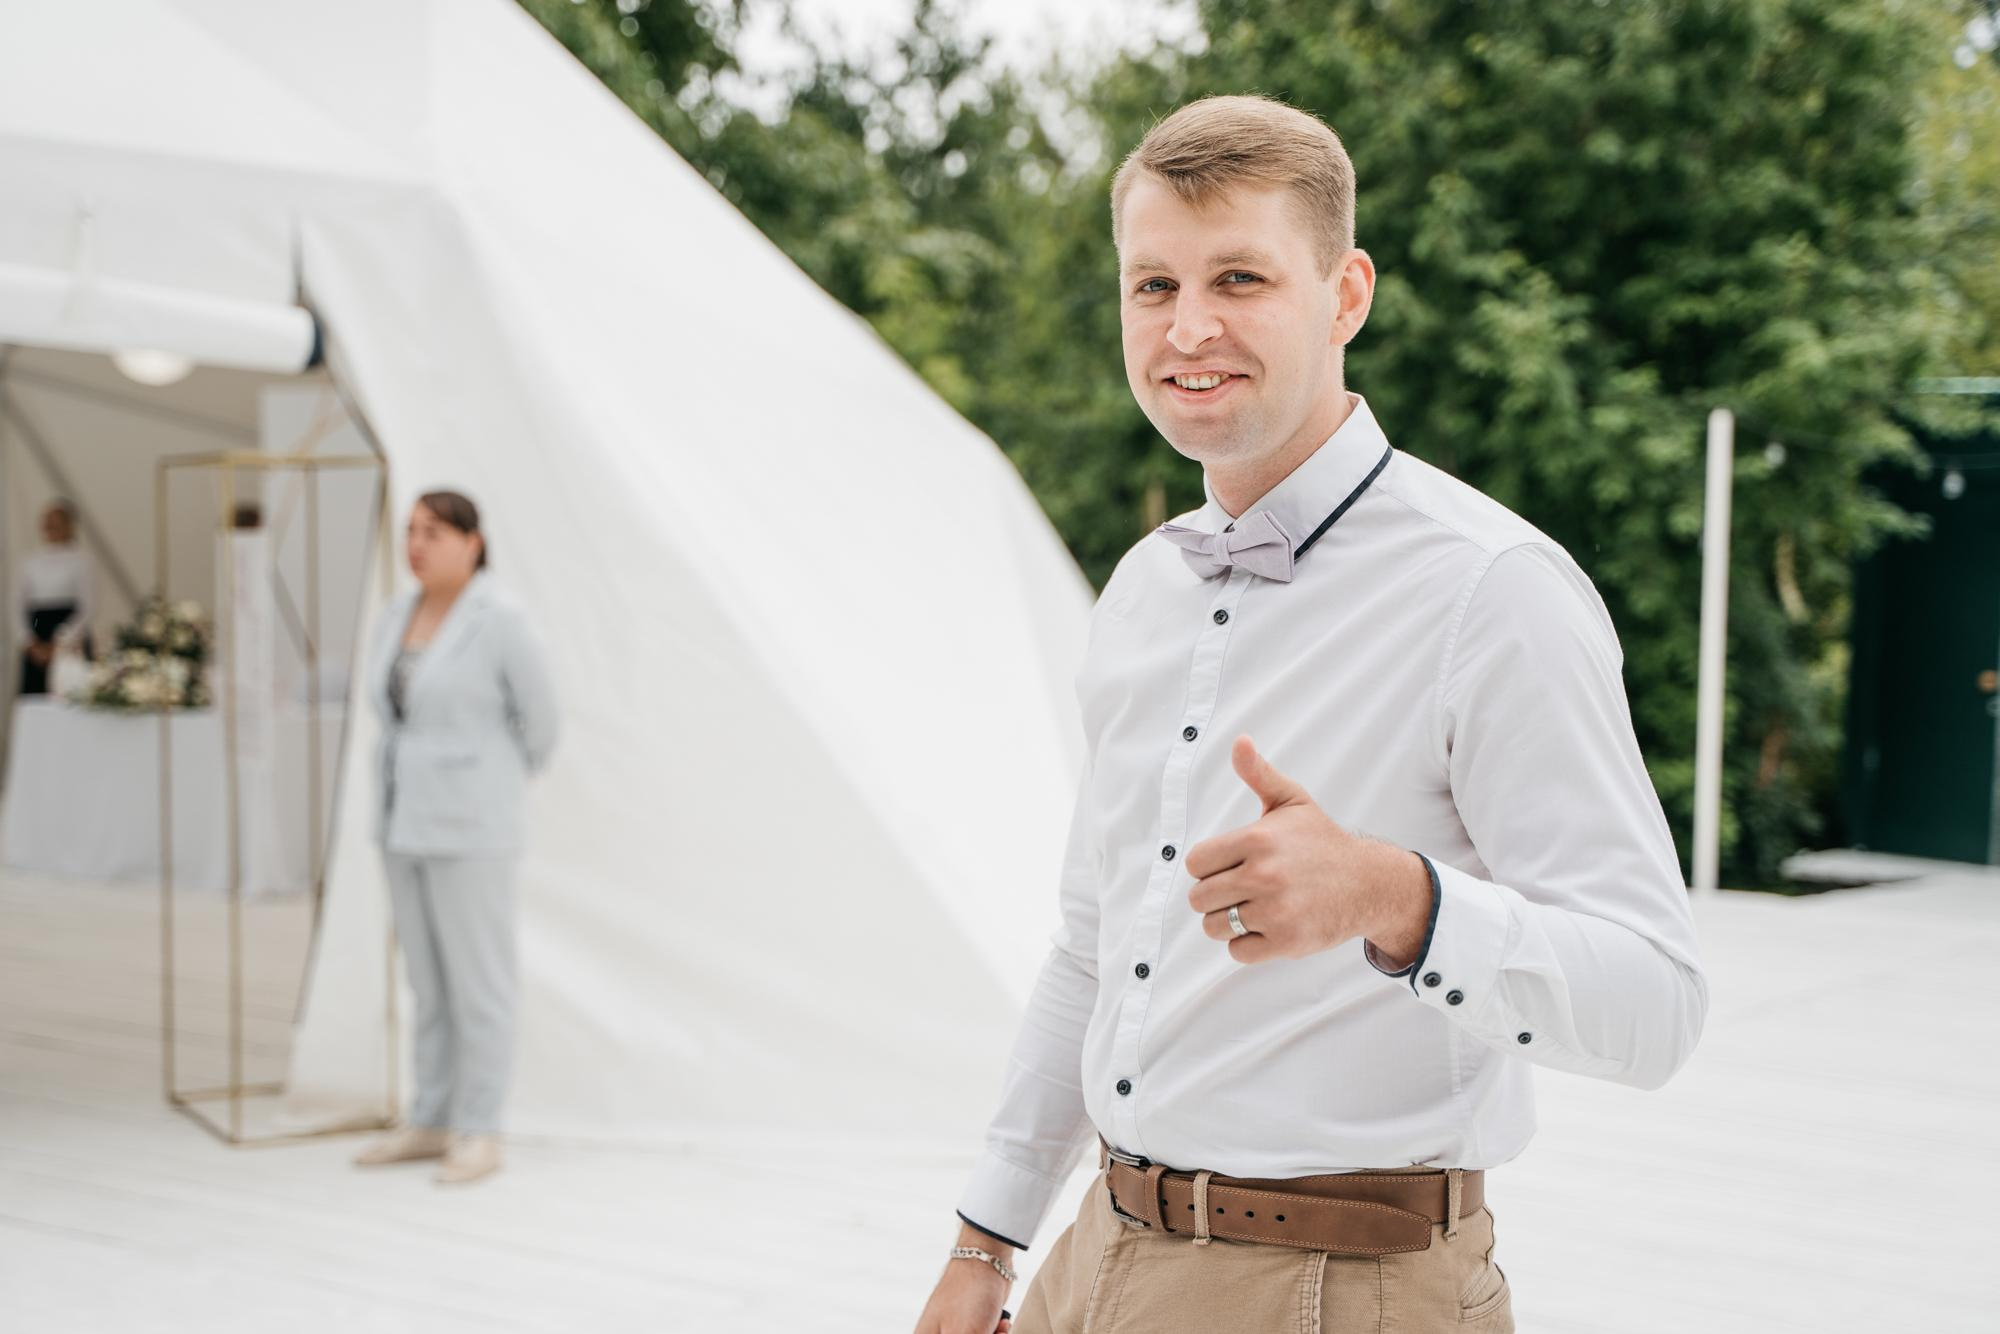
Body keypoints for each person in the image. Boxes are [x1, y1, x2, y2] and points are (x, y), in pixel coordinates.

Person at [913, 96, 1706, 1334]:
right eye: (1151, 284)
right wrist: (987, 1237)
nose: (1187, 327)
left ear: (1345, 295)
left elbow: (1655, 1004)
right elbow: (1088, 945)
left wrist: (1398, 896)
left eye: (1239, 277)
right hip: (1089, 1259)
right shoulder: (1139, 590)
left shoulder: (1492, 592)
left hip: (1347, 1286)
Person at [351, 490, 559, 1186]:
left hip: (473, 828)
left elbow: (542, 724)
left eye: (433, 532)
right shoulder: (396, 613)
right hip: (401, 821)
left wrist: (486, 784)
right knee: (426, 979)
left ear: (472, 542)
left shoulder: (499, 620)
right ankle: (431, 1115)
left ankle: (479, 1127)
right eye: (410, 531)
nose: (416, 544)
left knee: (480, 982)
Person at [16, 499, 94, 696]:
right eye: (47, 521)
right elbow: (16, 603)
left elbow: (89, 606)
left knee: (71, 692)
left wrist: (61, 643)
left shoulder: (81, 560)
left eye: (57, 521)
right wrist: (29, 641)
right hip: (37, 630)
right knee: (35, 694)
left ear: (69, 524)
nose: (51, 526)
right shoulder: (30, 560)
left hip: (69, 633)